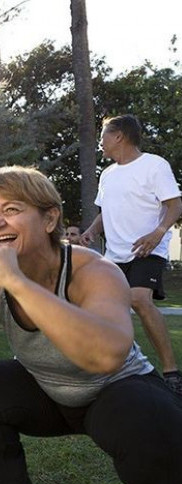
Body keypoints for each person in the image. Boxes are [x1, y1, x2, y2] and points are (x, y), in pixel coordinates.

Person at [0, 166, 182, 484]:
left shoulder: (94, 270)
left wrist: (17, 283)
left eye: (11, 210)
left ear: (49, 219)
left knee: (149, 412)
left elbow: (108, 356)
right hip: (48, 394)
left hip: (114, 394)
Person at [81, 114, 182, 395]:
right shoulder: (108, 175)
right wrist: (91, 231)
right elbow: (105, 212)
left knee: (138, 298)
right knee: (103, 308)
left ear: (118, 136)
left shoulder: (154, 166)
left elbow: (175, 205)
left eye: (103, 136)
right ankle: (114, 367)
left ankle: (172, 372)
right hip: (115, 254)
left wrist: (158, 232)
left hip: (147, 248)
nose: (100, 143)